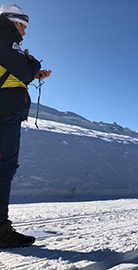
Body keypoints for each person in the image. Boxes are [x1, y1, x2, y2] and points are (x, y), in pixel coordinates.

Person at [0, 3, 51, 248]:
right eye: (23, 25)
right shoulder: (4, 38)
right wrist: (34, 65)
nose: (24, 31)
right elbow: (22, 68)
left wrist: (32, 72)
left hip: (6, 109)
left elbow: (15, 72)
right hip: (4, 111)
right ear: (12, 20)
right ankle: (0, 231)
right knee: (4, 168)